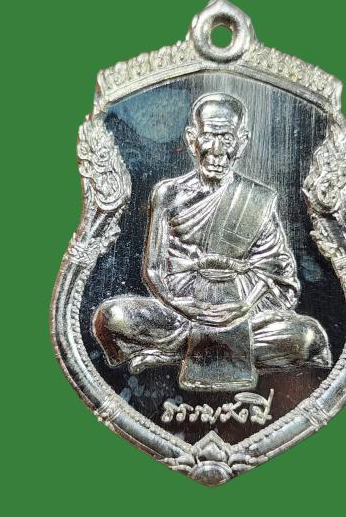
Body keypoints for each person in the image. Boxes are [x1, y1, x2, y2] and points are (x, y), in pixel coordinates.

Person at [93, 93, 332, 387]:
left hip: (242, 314)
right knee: (111, 317)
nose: (217, 151)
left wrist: (243, 306)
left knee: (308, 337)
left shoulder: (257, 200)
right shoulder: (168, 194)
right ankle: (210, 349)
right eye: (208, 137)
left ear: (241, 143)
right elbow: (153, 270)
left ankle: (176, 352)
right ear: (192, 139)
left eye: (226, 139)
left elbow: (278, 275)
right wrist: (184, 307)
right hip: (179, 312)